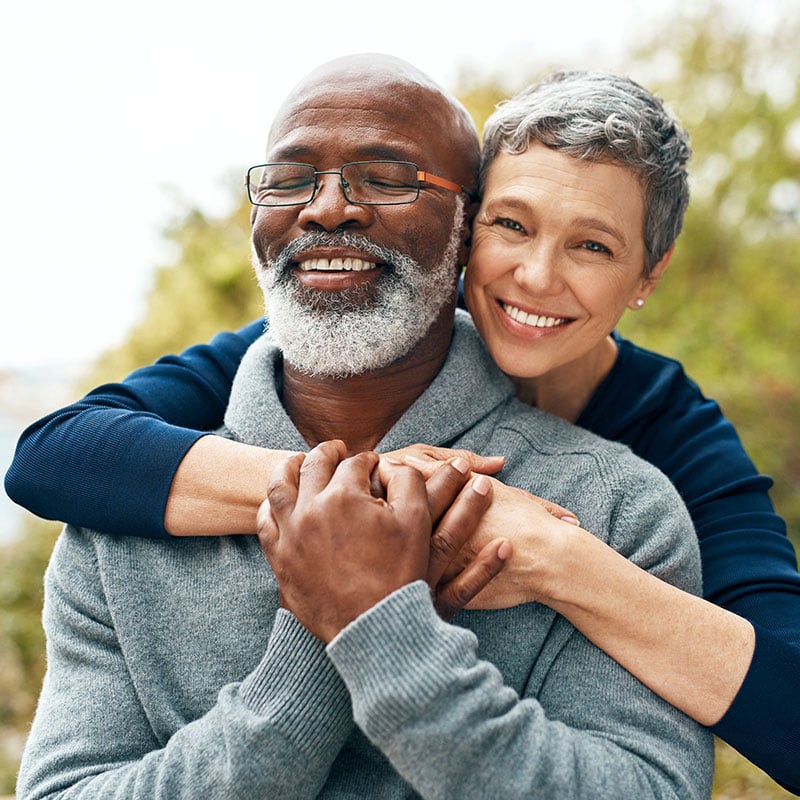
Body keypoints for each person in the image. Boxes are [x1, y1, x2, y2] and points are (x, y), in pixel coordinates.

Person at [8, 68, 800, 792]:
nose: (535, 276)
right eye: (514, 226)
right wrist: (348, 506)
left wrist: (554, 562)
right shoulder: (132, 505)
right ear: (474, 238)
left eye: (592, 246)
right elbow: (53, 452)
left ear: (647, 277)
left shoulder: (642, 483)